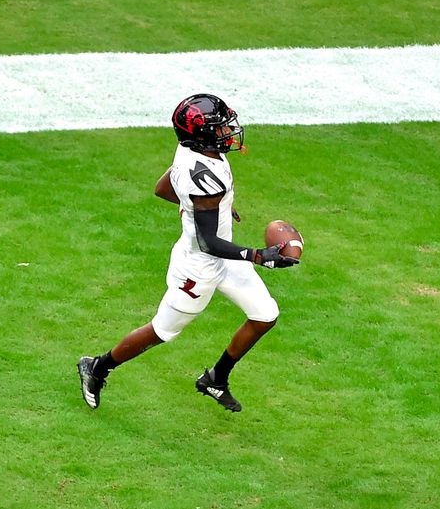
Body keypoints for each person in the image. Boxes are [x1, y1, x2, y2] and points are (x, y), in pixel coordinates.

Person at [77, 94, 298, 413]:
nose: (227, 132)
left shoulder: (192, 150)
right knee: (161, 331)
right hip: (199, 268)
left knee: (265, 315)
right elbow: (208, 242)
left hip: (223, 257)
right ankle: (97, 367)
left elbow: (163, 188)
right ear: (203, 134)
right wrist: (258, 255)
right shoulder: (203, 174)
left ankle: (215, 379)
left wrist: (212, 207)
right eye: (219, 128)